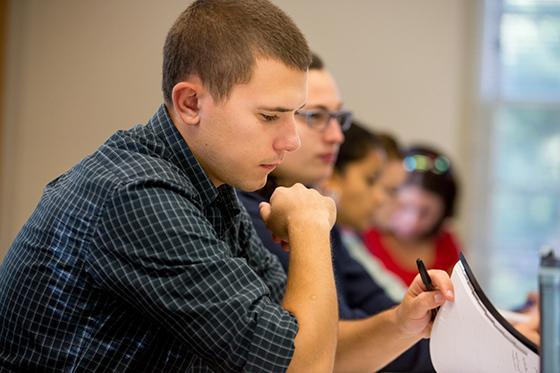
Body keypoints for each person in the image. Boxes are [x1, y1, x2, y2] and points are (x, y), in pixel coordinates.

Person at [0, 1, 343, 371]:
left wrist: (402, 323)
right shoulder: (136, 196)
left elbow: (304, 343)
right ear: (190, 103)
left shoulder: (210, 188)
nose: (291, 140)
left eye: (294, 114)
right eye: (269, 116)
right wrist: (310, 227)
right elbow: (302, 365)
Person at [238, 54, 451, 372]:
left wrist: (410, 323)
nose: (337, 135)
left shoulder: (309, 205)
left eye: (338, 118)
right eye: (317, 116)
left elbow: (371, 308)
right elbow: (315, 353)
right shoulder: (252, 211)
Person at [362, 145, 462, 288]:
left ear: (443, 214)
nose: (413, 221)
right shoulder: (363, 236)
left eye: (425, 212)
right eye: (405, 207)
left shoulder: (447, 244)